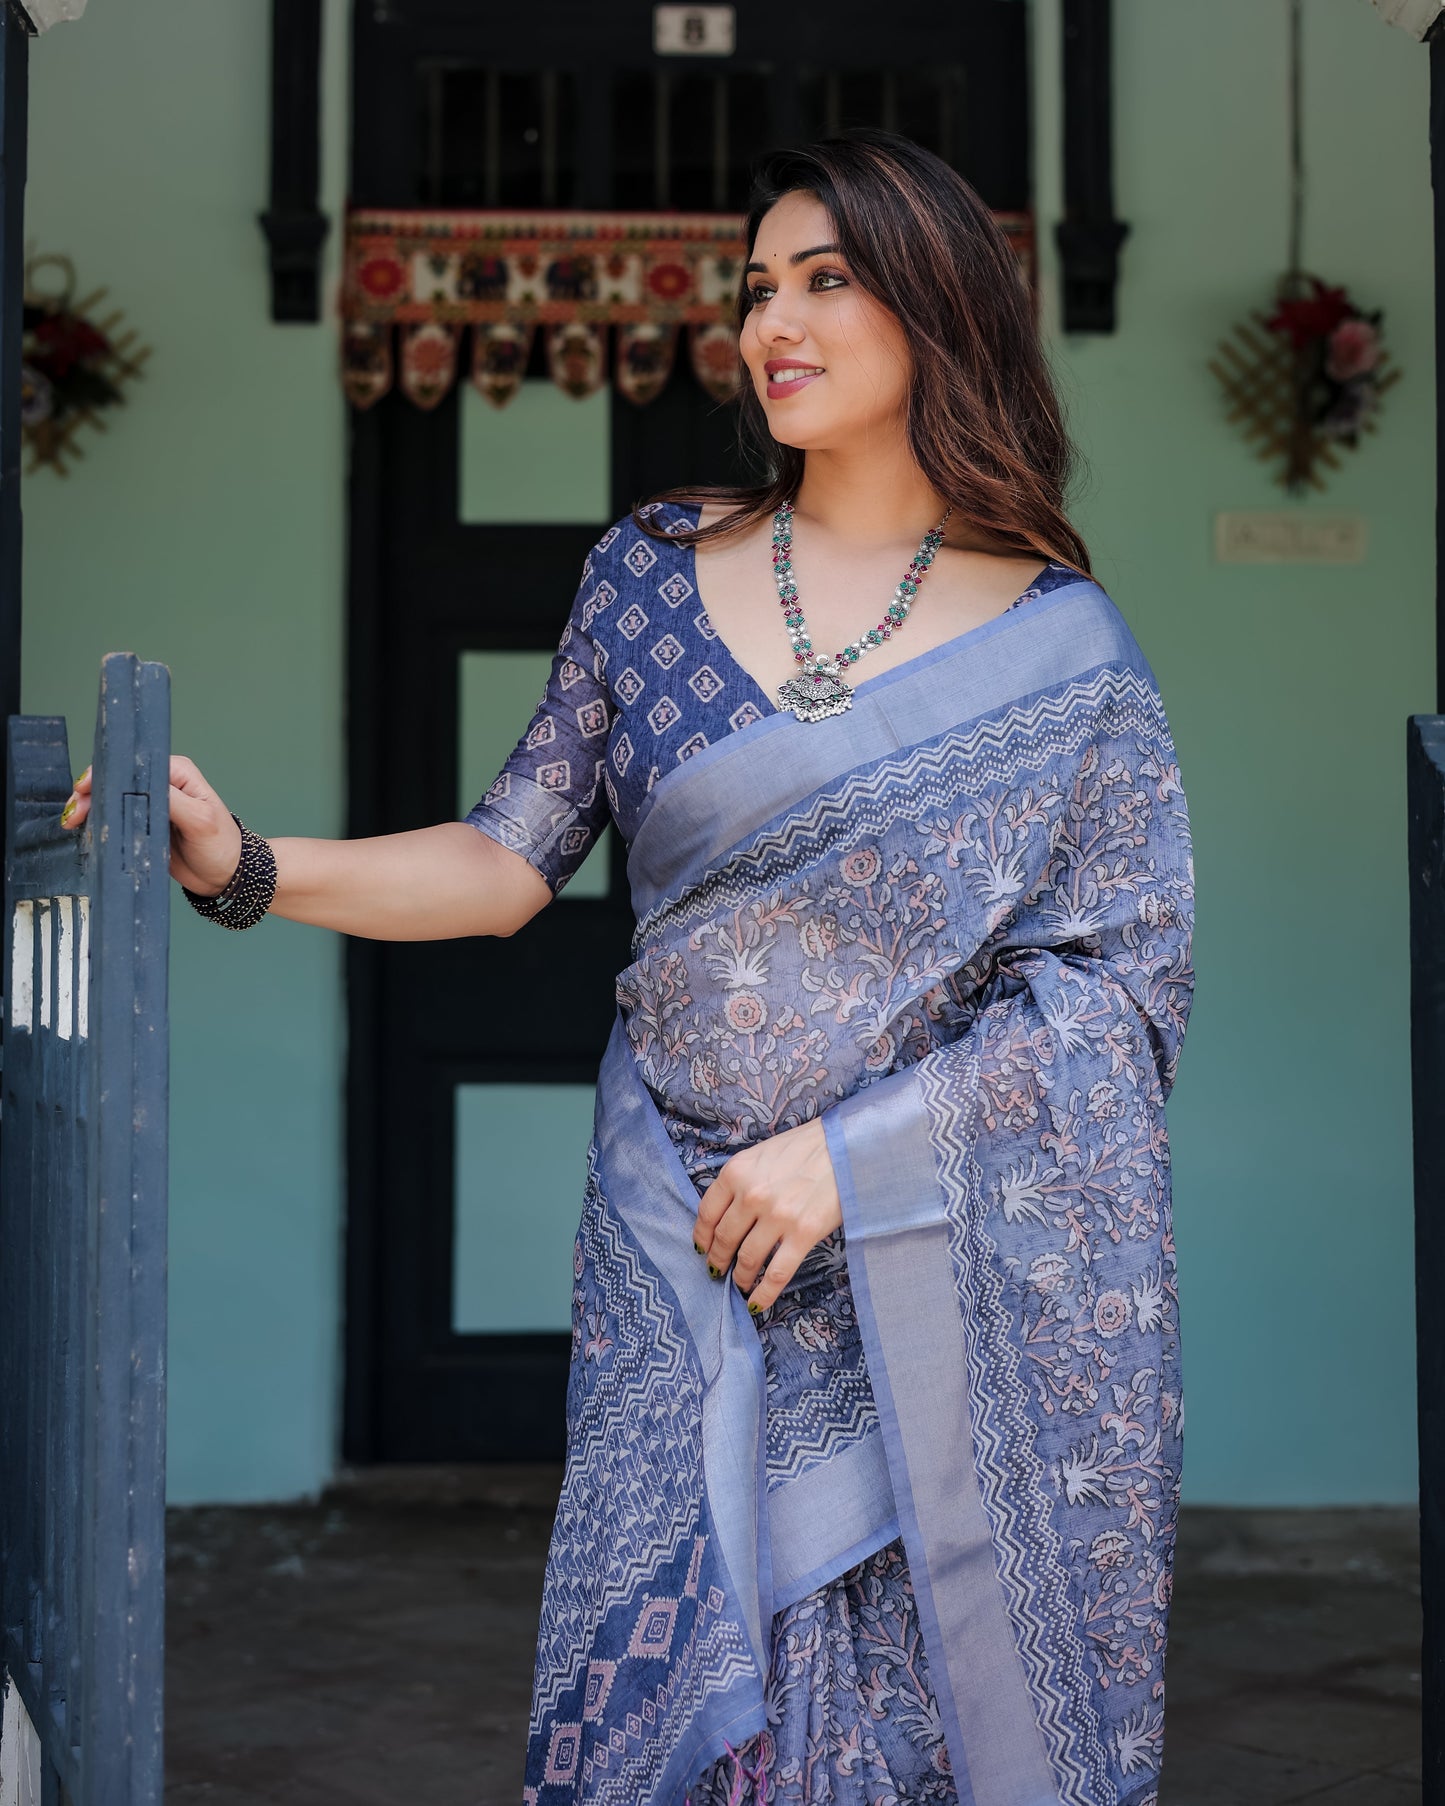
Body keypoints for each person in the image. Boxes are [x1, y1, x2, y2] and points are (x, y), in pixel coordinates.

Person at [62, 129, 1195, 1806]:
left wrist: (855, 1162)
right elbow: (506, 857)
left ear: (940, 307)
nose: (773, 323)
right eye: (756, 289)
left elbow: (1116, 993)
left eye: (826, 279)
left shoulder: (1061, 651)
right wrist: (247, 865)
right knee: (681, 1698)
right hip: (683, 1252)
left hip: (931, 1273)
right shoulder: (649, 579)